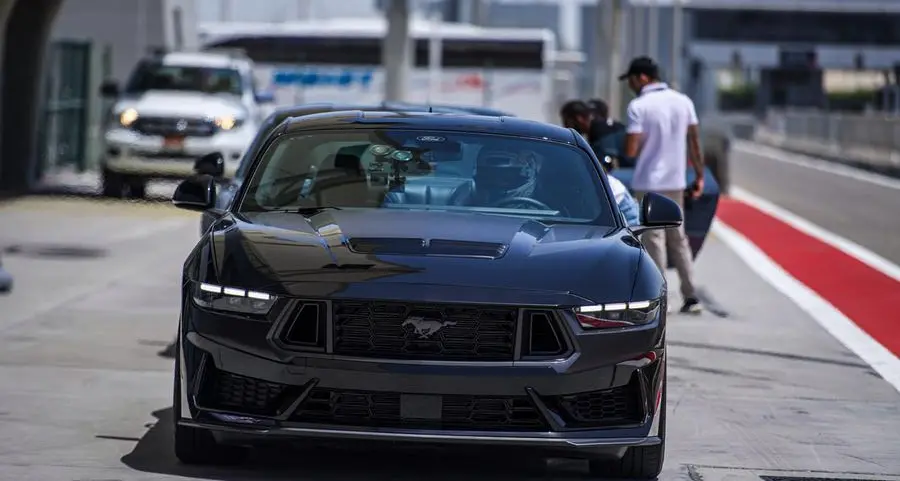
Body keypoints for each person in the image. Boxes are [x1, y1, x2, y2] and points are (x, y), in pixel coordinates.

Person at [620, 56, 704, 314]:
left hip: (648, 181)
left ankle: (660, 296)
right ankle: (691, 295)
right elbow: (694, 142)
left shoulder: (639, 106)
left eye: (631, 80)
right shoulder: (684, 101)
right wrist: (699, 175)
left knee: (654, 238)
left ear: (642, 77)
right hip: (676, 180)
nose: (630, 86)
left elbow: (632, 149)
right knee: (679, 238)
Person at [559, 99, 640, 227]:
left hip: (626, 181)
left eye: (567, 121)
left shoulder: (598, 130)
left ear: (579, 118)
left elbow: (602, 167)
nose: (565, 126)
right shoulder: (602, 126)